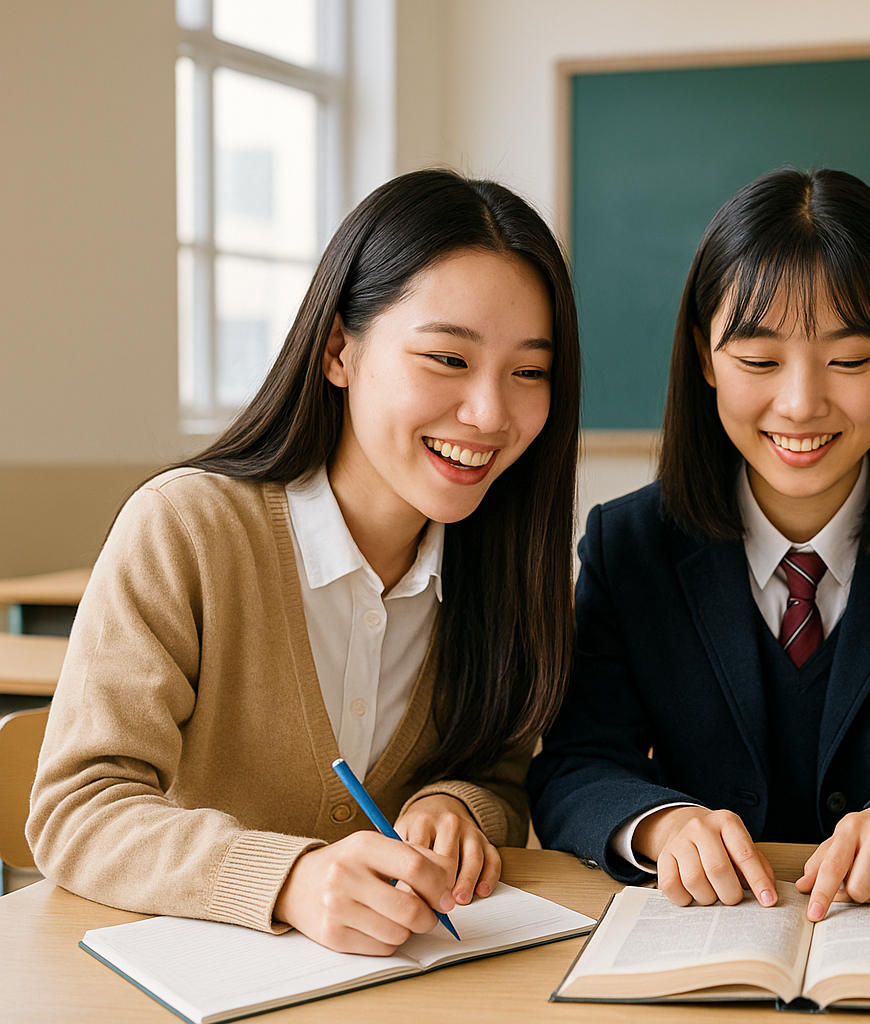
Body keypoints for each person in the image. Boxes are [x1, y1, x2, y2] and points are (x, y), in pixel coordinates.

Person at [28, 169, 581, 954]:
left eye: (529, 372)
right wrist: (289, 879)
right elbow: (79, 809)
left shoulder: (511, 569)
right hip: (186, 984)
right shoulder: (188, 528)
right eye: (447, 360)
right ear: (337, 352)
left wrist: (459, 807)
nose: (490, 414)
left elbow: (501, 773)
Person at [527, 167, 870, 921]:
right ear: (704, 355)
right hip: (701, 942)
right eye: (759, 360)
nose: (802, 404)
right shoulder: (630, 546)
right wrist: (662, 825)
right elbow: (578, 764)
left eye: (848, 360)